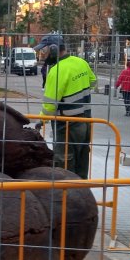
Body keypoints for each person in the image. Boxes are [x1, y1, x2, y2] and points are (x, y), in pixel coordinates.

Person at [35, 34, 96, 180]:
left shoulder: (56, 71)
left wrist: (40, 121)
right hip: (86, 122)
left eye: (44, 50)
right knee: (82, 159)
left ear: (54, 49)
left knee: (65, 164)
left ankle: (66, 198)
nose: (42, 54)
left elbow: (49, 106)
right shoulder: (80, 62)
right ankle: (82, 194)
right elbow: (93, 81)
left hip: (67, 125)